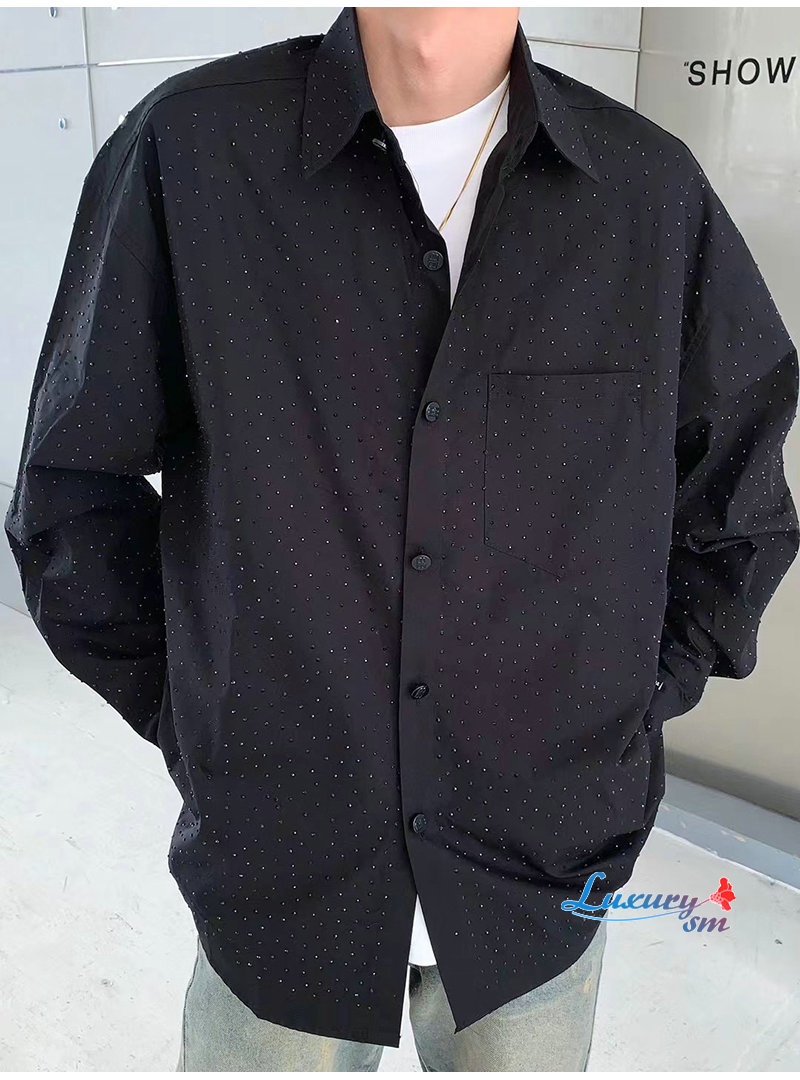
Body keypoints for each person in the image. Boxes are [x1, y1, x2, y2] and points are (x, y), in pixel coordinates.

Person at [5, 4, 798, 1073]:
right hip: (280, 872)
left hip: (540, 878)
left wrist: (620, 709)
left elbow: (736, 508)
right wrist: (204, 715)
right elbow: (70, 491)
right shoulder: (189, 152)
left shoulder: (649, 196)